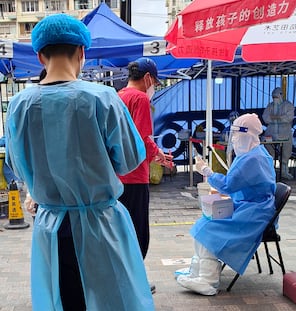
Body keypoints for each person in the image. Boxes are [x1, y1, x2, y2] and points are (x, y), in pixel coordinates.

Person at [5, 13, 154, 311]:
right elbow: (127, 160)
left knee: (65, 298)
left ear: (40, 55)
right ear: (82, 52)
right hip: (100, 224)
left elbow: (19, 167)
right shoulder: (102, 98)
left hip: (52, 226)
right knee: (112, 299)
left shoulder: (20, 105)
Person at [176, 113, 276, 295]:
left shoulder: (253, 158)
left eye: (238, 133)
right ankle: (197, 271)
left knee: (211, 228)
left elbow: (229, 185)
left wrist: (207, 171)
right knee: (204, 223)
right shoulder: (252, 153)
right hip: (247, 205)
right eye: (233, 134)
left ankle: (207, 280)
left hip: (255, 212)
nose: (235, 139)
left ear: (250, 134)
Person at [117, 58, 165, 262]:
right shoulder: (141, 99)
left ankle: (121, 278)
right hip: (135, 175)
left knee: (120, 230)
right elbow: (141, 138)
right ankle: (135, 283)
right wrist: (157, 152)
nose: (153, 87)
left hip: (116, 176)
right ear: (147, 78)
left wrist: (156, 151)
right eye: (154, 82)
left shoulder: (117, 97)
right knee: (138, 232)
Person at [262, 87, 295, 180]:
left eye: (276, 96)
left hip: (285, 133)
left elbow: (289, 118)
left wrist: (275, 118)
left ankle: (284, 171)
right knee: (269, 152)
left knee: (286, 152)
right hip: (271, 133)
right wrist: (279, 118)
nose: (275, 99)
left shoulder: (288, 105)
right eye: (273, 97)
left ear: (281, 95)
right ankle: (270, 172)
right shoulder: (270, 106)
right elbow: (265, 118)